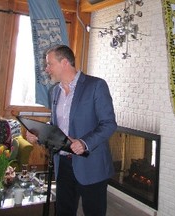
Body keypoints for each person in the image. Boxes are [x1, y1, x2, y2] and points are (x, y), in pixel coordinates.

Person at [26, 45, 117, 216]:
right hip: (63, 164)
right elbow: (56, 126)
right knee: (63, 212)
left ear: (65, 63)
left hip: (91, 164)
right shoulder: (54, 91)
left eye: (49, 64)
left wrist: (84, 142)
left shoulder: (96, 85)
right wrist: (38, 135)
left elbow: (109, 124)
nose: (46, 69)